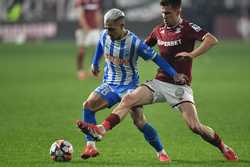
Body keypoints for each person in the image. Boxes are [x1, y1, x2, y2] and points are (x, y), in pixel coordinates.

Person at [77, 0, 239, 161]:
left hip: (180, 87)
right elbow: (142, 47)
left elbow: (211, 39)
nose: (164, 16)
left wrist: (192, 55)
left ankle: (223, 147)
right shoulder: (158, 30)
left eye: (168, 13)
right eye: (162, 13)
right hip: (159, 82)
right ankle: (101, 129)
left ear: (178, 11)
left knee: (195, 127)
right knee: (129, 99)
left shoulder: (188, 28)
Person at [76, 8, 187, 161]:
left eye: (111, 29)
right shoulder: (105, 35)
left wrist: (174, 74)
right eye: (106, 28)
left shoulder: (135, 43)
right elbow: (101, 45)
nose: (108, 32)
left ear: (122, 25)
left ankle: (161, 152)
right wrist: (95, 63)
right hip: (110, 84)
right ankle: (91, 147)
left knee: (140, 122)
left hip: (129, 87)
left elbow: (157, 58)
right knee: (88, 105)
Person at [75, 0, 102, 80]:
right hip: (83, 29)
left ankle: (93, 70)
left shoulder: (96, 2)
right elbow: (80, 15)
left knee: (100, 50)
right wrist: (85, 27)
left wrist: (99, 26)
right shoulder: (82, 1)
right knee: (81, 50)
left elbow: (97, 14)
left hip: (94, 29)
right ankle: (80, 71)